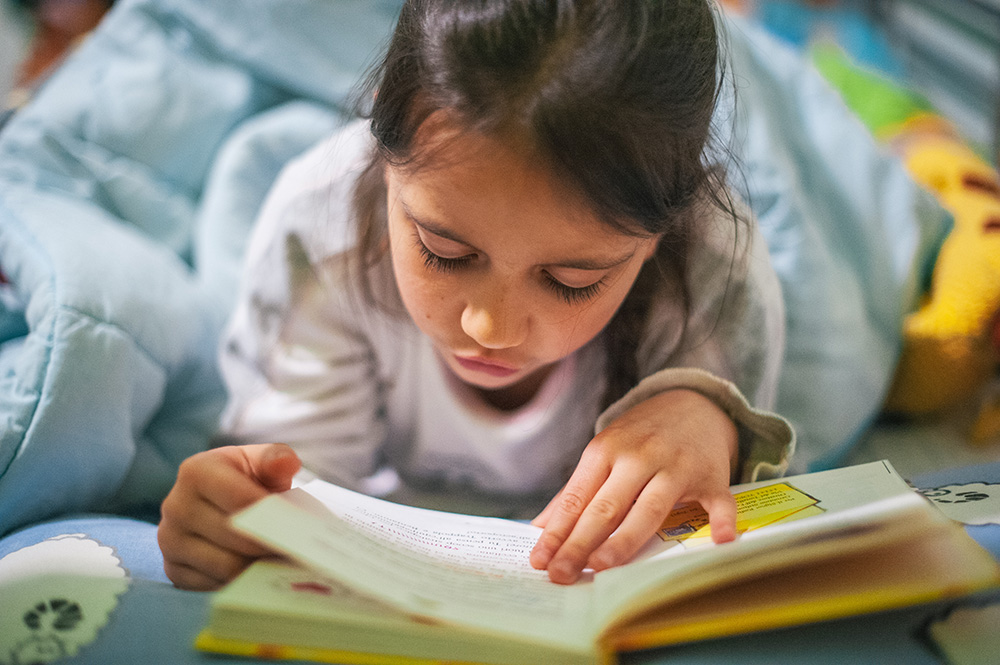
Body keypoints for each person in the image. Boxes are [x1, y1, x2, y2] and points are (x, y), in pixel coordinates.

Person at [157, 0, 794, 591]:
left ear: (661, 232)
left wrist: (714, 420)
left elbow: (734, 510)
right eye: (444, 252)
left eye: (571, 281)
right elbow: (299, 479)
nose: (490, 328)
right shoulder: (323, 236)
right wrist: (242, 515)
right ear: (384, 153)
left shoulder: (711, 268)